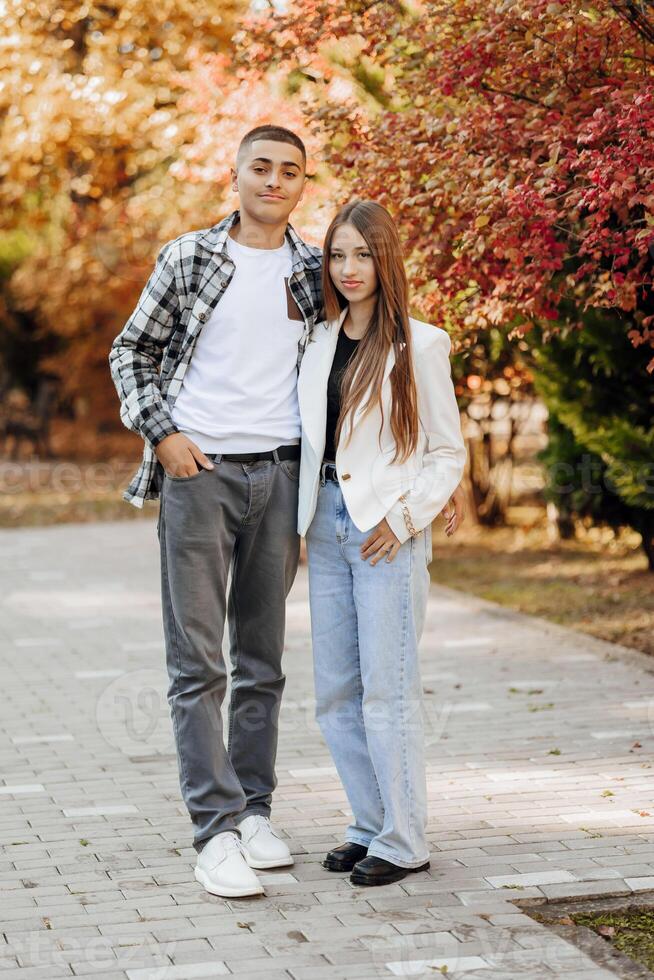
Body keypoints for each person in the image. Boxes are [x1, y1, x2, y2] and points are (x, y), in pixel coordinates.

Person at [109, 125, 323, 898]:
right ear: (236, 175)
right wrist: (164, 434)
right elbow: (129, 350)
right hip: (200, 477)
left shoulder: (314, 269)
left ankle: (255, 810)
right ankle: (215, 833)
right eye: (260, 167)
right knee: (196, 664)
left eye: (288, 171)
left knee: (261, 660)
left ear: (303, 184)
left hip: (282, 478)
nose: (273, 181)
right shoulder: (190, 257)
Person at [297, 200, 467, 886]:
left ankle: (404, 839)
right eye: (337, 255)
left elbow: (447, 452)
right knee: (336, 693)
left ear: (385, 259)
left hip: (383, 535)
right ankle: (368, 824)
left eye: (362, 254)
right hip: (325, 527)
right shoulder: (314, 341)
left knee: (388, 693)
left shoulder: (420, 344)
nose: (348, 268)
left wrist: (406, 518)